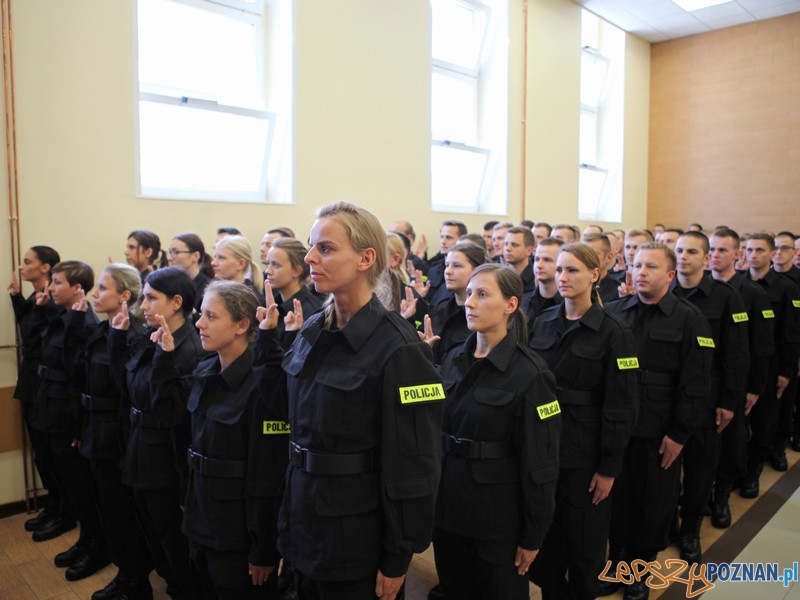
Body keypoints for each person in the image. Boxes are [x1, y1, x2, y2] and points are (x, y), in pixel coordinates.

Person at [273, 201, 443, 600]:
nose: (310, 257)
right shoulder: (314, 329)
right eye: (312, 247)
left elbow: (416, 465)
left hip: (354, 534)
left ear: (367, 258)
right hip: (303, 515)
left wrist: (397, 555)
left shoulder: (399, 349)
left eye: (326, 249)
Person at [433, 263, 560, 600]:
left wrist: (534, 535)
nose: (469, 302)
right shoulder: (451, 360)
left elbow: (541, 465)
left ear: (510, 305)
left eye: (482, 294)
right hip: (449, 508)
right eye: (470, 293)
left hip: (496, 518)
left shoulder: (531, 374)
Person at [602, 243, 712, 600]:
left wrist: (679, 434)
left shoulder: (689, 317)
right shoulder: (616, 313)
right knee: (616, 500)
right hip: (619, 426)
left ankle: (640, 571)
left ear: (668, 275)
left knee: (653, 503)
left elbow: (695, 384)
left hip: (660, 430)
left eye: (651, 266)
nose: (641, 271)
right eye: (636, 265)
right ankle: (618, 565)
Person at [529, 243, 637, 600]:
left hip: (585, 456)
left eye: (572, 270)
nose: (562, 277)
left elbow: (621, 406)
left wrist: (609, 467)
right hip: (545, 449)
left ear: (595, 275)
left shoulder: (614, 333)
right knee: (547, 545)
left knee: (585, 547)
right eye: (559, 270)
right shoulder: (542, 322)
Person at [182, 281, 289, 599]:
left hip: (237, 534)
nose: (199, 323)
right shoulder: (205, 370)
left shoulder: (263, 387)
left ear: (242, 325)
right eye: (201, 314)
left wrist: (264, 550)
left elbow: (268, 475)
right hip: (202, 517)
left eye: (211, 317)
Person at [110, 267, 205, 600]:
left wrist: (164, 359)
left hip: (166, 458)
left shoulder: (191, 347)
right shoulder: (154, 335)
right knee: (152, 532)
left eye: (152, 298)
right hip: (141, 449)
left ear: (176, 302)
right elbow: (129, 390)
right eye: (143, 297)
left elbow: (170, 412)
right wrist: (117, 340)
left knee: (173, 540)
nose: (143, 306)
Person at [72, 263, 153, 599]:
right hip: (97, 431)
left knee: (122, 514)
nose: (95, 294)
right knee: (107, 508)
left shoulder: (132, 335)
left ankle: (135, 581)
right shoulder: (107, 329)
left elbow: (126, 391)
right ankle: (125, 572)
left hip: (116, 438)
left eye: (103, 288)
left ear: (125, 295)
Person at [671, 232, 749, 564]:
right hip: (668, 398)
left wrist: (729, 401)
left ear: (706, 259)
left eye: (692, 251)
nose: (683, 257)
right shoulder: (666, 292)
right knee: (665, 469)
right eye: (678, 251)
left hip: (708, 398)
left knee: (701, 468)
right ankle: (665, 526)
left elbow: (736, 354)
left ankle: (690, 531)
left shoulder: (726, 297)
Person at [30, 261, 108, 580]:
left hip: (68, 414)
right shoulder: (60, 315)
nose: (50, 287)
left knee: (81, 487)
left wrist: (78, 427)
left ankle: (96, 545)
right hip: (51, 407)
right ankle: (85, 540)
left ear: (78, 289)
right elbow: (42, 351)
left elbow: (79, 376)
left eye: (57, 282)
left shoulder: (84, 322)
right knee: (66, 481)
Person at [708, 228, 773, 527]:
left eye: (722, 250)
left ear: (737, 255)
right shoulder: (702, 290)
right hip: (705, 382)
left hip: (737, 382)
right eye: (712, 249)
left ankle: (722, 496)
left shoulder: (752, 294)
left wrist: (754, 388)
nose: (715, 255)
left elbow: (759, 347)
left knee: (731, 444)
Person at [7, 246, 62, 534]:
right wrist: (17, 297)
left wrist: (31, 305)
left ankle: (62, 510)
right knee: (40, 452)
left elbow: (34, 333)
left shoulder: (53, 298)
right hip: (31, 381)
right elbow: (27, 327)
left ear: (46, 267)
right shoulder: (36, 297)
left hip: (44, 383)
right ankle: (53, 505)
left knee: (50, 452)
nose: (22, 266)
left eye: (28, 262)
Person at [741, 233, 800, 496]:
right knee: (739, 427)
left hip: (772, 364)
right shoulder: (737, 285)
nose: (753, 255)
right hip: (742, 364)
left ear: (772, 253)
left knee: (765, 421)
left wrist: (787, 371)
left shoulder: (785, 288)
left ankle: (753, 472)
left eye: (760, 250)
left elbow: (790, 333)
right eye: (749, 250)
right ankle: (737, 470)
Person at [425, 241, 488, 365]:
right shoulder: (439, 310)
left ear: (477, 271)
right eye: (447, 265)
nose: (448, 271)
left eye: (457, 266)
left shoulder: (485, 316)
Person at [264, 237, 324, 348]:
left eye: (276, 265)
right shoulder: (270, 306)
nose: (268, 271)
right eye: (267, 264)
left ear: (296, 271)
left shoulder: (313, 312)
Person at [168, 232, 214, 316]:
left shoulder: (208, 289)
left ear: (195, 256)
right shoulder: (169, 284)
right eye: (170, 252)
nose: (169, 258)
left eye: (175, 252)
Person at [425, 220, 468, 306]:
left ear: (461, 240)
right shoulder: (433, 269)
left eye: (449, 237)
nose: (443, 241)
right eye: (442, 237)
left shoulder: (466, 270)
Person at [521, 238, 563, 325]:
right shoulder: (522, 300)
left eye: (547, 260)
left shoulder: (568, 305)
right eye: (537, 259)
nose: (539, 265)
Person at [583, 233, 620, 304]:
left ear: (608, 257)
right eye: (583, 254)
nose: (587, 258)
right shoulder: (575, 284)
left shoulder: (617, 290)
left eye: (594, 253)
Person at [503, 227, 536, 293]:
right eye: (506, 244)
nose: (508, 249)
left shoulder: (536, 279)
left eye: (514, 245)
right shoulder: (499, 276)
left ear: (529, 250)